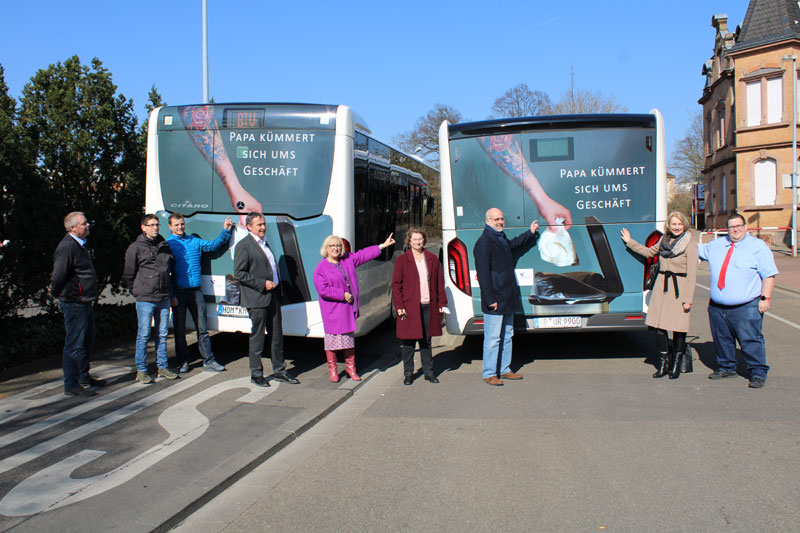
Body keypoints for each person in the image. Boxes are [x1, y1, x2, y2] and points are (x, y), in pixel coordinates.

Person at [698, 213, 778, 388]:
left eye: (739, 226)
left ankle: (757, 372)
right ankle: (727, 367)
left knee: (750, 340)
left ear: (745, 226)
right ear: (727, 229)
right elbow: (692, 250)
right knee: (722, 339)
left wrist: (765, 298)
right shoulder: (717, 245)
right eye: (732, 227)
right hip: (717, 306)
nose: (736, 230)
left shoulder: (757, 247)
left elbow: (769, 275)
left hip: (746, 306)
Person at [621, 211, 698, 379]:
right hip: (662, 288)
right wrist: (630, 242)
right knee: (658, 328)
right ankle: (663, 362)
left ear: (684, 225)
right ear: (668, 226)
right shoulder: (664, 240)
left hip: (680, 288)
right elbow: (648, 252)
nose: (676, 227)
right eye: (673, 224)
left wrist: (688, 299)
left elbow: (692, 274)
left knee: (679, 329)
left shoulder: (690, 244)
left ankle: (676, 363)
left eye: (679, 224)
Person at [313, 233, 395, 382]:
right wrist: (342, 294)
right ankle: (333, 370)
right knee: (332, 342)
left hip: (346, 309)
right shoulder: (321, 267)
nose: (336, 248)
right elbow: (322, 289)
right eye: (332, 246)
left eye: (338, 245)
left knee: (348, 342)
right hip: (332, 310)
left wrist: (382, 245)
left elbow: (364, 254)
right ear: (326, 249)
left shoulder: (347, 259)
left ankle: (351, 369)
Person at [474, 208, 540, 386]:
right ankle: (489, 373)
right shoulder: (483, 242)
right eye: (496, 219)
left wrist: (530, 233)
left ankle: (504, 369)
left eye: (502, 218)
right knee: (493, 338)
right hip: (495, 299)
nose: (500, 222)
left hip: (507, 296)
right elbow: (483, 274)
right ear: (487, 221)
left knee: (508, 335)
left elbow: (513, 245)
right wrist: (489, 300)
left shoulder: (500, 238)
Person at [233, 212, 300, 387]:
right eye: (259, 225)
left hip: (273, 296)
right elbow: (239, 273)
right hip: (257, 298)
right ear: (249, 227)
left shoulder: (264, 243)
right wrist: (262, 284)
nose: (263, 227)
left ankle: (279, 370)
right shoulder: (244, 246)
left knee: (276, 336)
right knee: (258, 338)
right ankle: (256, 374)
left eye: (263, 224)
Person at [167, 213, 233, 373]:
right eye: (176, 225)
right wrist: (171, 295)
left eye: (181, 224)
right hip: (179, 292)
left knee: (202, 328)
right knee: (180, 330)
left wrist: (225, 231)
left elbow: (213, 246)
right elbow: (164, 272)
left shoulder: (194, 241)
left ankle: (209, 361)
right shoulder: (168, 244)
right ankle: (183, 362)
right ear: (170, 227)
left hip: (196, 292)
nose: (180, 227)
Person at [51, 212, 105, 397]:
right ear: (73, 228)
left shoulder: (79, 245)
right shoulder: (67, 247)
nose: (87, 225)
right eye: (83, 224)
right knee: (74, 343)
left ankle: (83, 376)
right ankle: (71, 383)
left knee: (86, 340)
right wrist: (58, 293)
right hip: (74, 302)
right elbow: (58, 275)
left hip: (84, 302)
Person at [123, 214, 178, 384]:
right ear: (143, 227)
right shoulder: (136, 248)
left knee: (162, 334)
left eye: (157, 225)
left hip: (163, 297)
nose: (155, 228)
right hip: (145, 298)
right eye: (151, 225)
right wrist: (137, 291)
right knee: (144, 335)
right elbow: (128, 273)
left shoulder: (164, 245)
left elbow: (171, 271)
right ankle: (142, 370)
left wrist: (171, 293)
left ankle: (162, 366)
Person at [392, 228, 447, 385]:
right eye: (414, 239)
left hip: (428, 305)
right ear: (409, 241)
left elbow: (439, 283)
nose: (418, 242)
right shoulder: (402, 260)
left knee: (426, 341)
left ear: (424, 240)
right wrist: (399, 305)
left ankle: (429, 372)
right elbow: (396, 286)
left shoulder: (432, 259)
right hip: (409, 307)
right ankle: (408, 373)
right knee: (408, 343)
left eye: (420, 239)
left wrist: (442, 303)